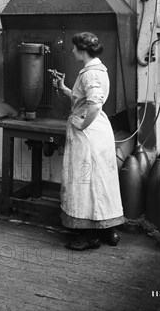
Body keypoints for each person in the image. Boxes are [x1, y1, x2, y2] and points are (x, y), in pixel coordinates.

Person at [53, 32, 124, 250]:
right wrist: (64, 88)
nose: (72, 51)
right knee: (101, 181)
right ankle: (107, 229)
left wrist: (83, 125)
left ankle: (86, 236)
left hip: (88, 135)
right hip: (100, 132)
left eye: (74, 48)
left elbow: (94, 105)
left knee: (84, 183)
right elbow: (84, 100)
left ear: (82, 50)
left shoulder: (89, 75)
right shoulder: (99, 70)